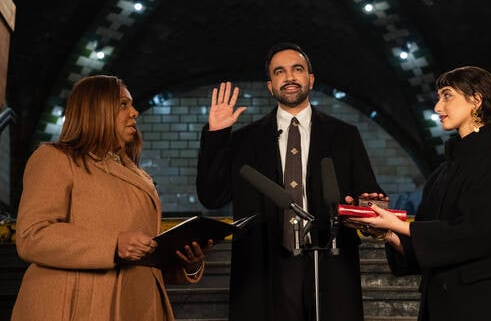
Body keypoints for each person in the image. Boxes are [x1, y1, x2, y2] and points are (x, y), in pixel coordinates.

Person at [196, 42, 386, 321]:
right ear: (270, 86)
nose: (289, 77)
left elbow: (368, 195)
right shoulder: (244, 140)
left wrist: (369, 210)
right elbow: (211, 197)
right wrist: (217, 136)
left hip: (329, 264)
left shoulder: (345, 135)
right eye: (279, 72)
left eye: (297, 69)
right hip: (264, 269)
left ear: (310, 79)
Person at [12, 75, 212, 321]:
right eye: (123, 104)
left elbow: (144, 255)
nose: (135, 112)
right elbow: (32, 235)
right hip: (77, 305)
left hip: (139, 305)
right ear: (96, 108)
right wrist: (113, 245)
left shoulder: (140, 176)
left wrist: (187, 263)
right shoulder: (54, 159)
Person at [349, 66, 491, 321]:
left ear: (476, 100)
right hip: (439, 308)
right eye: (439, 97)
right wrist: (388, 232)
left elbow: (481, 233)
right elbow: (427, 248)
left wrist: (400, 226)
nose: (437, 107)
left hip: (487, 307)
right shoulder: (440, 175)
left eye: (447, 95)